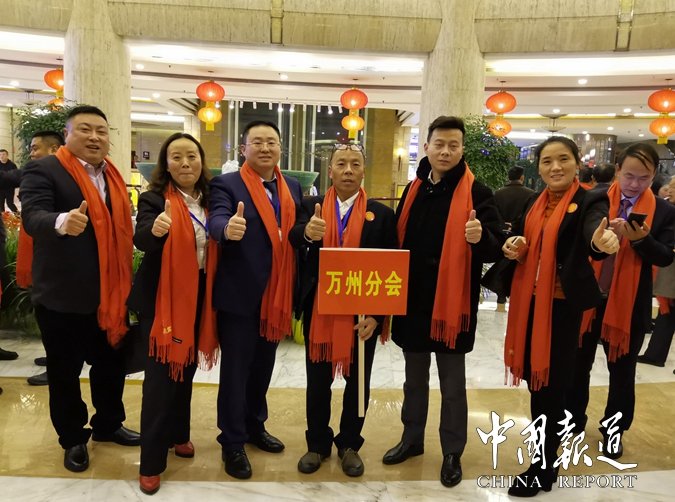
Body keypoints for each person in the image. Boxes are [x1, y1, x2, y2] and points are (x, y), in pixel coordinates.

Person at [382, 116, 504, 488]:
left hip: (452, 305)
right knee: (413, 380)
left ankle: (452, 451)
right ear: (427, 147)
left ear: (462, 149)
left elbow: (495, 247)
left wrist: (481, 237)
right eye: (439, 144)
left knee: (452, 385)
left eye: (453, 145)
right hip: (414, 301)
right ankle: (412, 439)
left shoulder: (478, 192)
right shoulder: (414, 189)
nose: (446, 151)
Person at [20, 105, 140, 473]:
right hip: (63, 295)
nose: (94, 137)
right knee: (64, 373)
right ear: (68, 134)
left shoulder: (113, 175)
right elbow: (32, 216)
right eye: (85, 129)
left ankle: (108, 424)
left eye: (101, 131)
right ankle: (72, 437)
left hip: (110, 295)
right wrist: (61, 220)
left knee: (111, 366)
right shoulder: (45, 169)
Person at [501, 136, 620, 497]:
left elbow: (593, 231)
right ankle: (545, 461)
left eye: (563, 159)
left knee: (550, 389)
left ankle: (542, 466)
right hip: (529, 304)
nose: (555, 167)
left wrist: (600, 242)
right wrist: (514, 244)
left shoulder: (590, 199)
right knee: (539, 386)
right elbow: (520, 236)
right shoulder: (534, 202)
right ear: (538, 168)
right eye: (547, 161)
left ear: (576, 163)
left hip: (562, 309)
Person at [289, 143, 397, 477]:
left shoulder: (381, 215)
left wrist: (377, 316)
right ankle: (317, 444)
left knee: (358, 383)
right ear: (330, 170)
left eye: (355, 164)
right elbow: (293, 237)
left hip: (363, 315)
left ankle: (350, 444)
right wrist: (307, 232)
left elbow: (391, 268)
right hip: (320, 310)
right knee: (317, 382)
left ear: (363, 171)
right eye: (341, 164)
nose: (348, 170)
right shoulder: (310, 206)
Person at [208, 120, 303, 479]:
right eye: (257, 142)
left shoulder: (291, 186)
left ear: (280, 148)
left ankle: (254, 425)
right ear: (243, 149)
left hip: (277, 294)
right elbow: (218, 217)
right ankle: (232, 441)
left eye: (272, 142)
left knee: (263, 367)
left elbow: (296, 230)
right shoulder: (227, 184)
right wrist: (225, 229)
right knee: (236, 372)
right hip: (241, 294)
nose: (265, 148)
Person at [567, 145, 675, 461]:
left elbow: (665, 256)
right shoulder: (594, 199)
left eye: (644, 178)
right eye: (629, 175)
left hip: (629, 305)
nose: (634, 184)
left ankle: (613, 431)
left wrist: (640, 239)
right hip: (587, 299)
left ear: (654, 176)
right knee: (577, 367)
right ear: (617, 170)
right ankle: (572, 422)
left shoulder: (664, 211)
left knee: (623, 374)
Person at [127, 133, 219, 495]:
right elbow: (142, 238)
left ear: (201, 161)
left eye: (191, 156)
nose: (185, 163)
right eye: (176, 157)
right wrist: (156, 229)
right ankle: (151, 462)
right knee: (161, 379)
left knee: (186, 370)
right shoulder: (154, 198)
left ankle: (179, 434)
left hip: (199, 297)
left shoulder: (211, 198)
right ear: (166, 164)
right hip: (162, 300)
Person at [16, 131, 66, 387]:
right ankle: (53, 358)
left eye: (36, 148)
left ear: (55, 148)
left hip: (57, 263)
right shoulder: (38, 173)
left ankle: (55, 363)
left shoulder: (64, 177)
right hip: (38, 244)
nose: (32, 153)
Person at [492, 165, 535, 311]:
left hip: (502, 234)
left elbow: (494, 214)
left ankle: (501, 299)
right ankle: (516, 298)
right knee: (518, 266)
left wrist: (504, 225)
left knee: (501, 264)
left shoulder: (498, 193)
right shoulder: (531, 194)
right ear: (522, 177)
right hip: (522, 235)